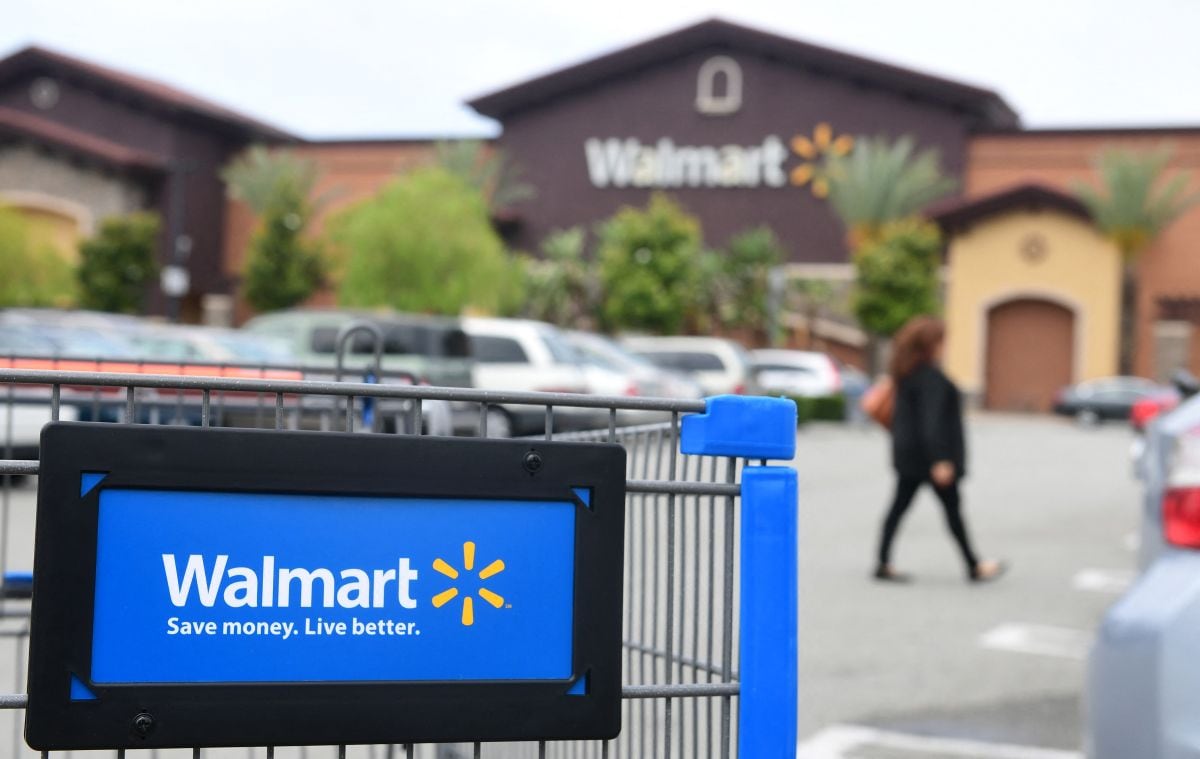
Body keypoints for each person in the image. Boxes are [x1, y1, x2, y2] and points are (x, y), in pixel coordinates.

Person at [874, 315, 1006, 584]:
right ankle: (973, 565)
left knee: (899, 508)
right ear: (930, 344)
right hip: (930, 459)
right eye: (941, 341)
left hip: (909, 456)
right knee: (952, 512)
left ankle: (883, 562)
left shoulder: (906, 374)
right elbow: (931, 422)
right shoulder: (930, 377)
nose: (944, 346)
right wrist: (941, 459)